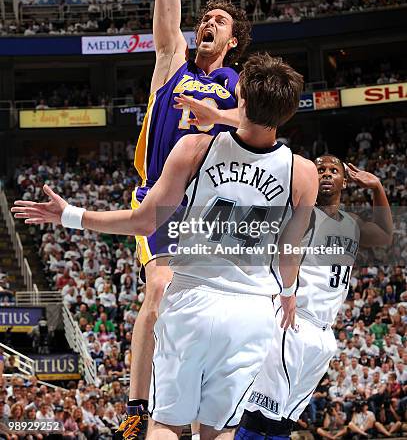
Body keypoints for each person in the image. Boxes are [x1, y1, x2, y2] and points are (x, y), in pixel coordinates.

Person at [12, 52, 318, 440]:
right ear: (289, 111)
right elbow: (290, 254)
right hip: (253, 311)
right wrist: (289, 295)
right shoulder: (303, 173)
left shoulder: (196, 148)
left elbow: (143, 221)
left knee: (167, 426)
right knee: (222, 430)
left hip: (191, 298)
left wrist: (71, 215)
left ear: (240, 100)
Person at [118, 0, 250, 438]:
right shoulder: (171, 64)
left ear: (234, 39)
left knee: (209, 319)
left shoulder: (238, 85)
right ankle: (135, 408)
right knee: (160, 288)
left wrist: (217, 116)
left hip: (213, 215)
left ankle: (198, 412)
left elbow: (254, 125)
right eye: (206, 18)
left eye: (218, 20)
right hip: (160, 200)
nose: (207, 23)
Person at [236, 155, 393, 440]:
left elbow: (384, 235)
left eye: (334, 170)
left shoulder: (352, 223)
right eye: (320, 170)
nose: (327, 174)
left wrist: (377, 187)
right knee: (262, 409)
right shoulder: (301, 212)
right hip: (293, 319)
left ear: (345, 181)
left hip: (324, 333)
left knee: (286, 416)